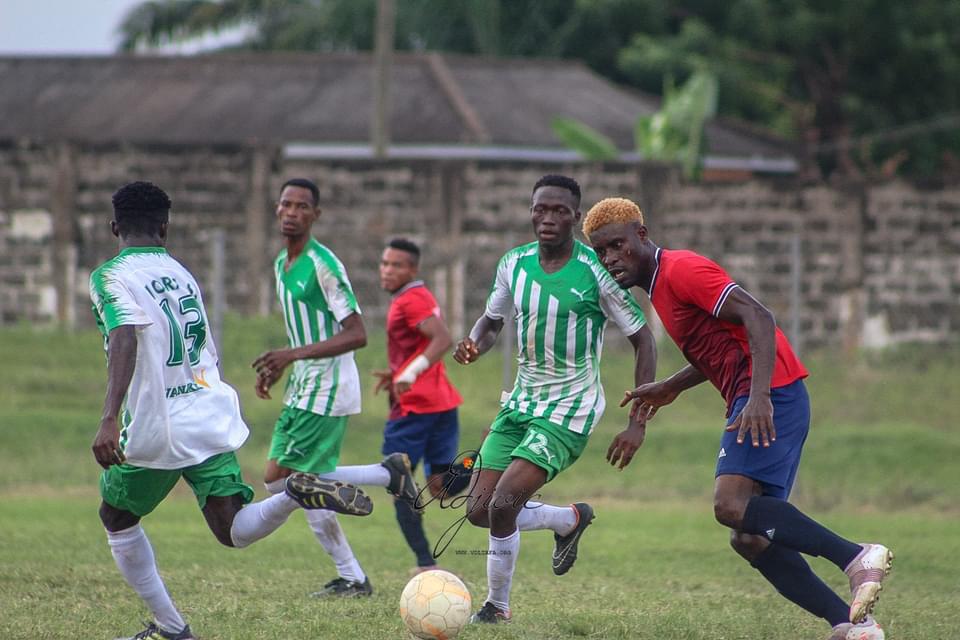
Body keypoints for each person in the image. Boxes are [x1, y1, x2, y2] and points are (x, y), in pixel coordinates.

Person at [582, 197, 892, 640]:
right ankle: (852, 625)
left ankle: (856, 556)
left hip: (772, 394)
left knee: (730, 506)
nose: (612, 258)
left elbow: (757, 316)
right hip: (762, 395)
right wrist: (673, 385)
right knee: (749, 537)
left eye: (617, 245)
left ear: (642, 236)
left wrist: (760, 396)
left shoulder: (681, 270)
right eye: (602, 252)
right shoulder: (659, 290)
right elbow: (720, 348)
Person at [90, 181, 372, 640]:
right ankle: (293, 494)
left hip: (160, 423)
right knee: (233, 530)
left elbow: (123, 335)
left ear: (114, 226)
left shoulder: (111, 275)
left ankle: (172, 629)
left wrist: (108, 417)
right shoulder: (181, 272)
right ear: (165, 227)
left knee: (116, 517)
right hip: (208, 409)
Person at [453, 175, 657, 624]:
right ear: (530, 211)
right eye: (540, 209)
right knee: (478, 512)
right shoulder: (513, 264)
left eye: (559, 211)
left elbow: (645, 340)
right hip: (521, 403)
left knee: (505, 502)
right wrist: (472, 344)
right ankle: (568, 520)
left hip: (570, 408)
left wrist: (638, 421)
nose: (547, 218)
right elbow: (490, 322)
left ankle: (496, 607)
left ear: (576, 218)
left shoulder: (596, 270)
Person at [252, 178, 420, 598]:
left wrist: (290, 356)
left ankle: (381, 483)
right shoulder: (280, 264)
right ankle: (355, 569)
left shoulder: (323, 264)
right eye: (285, 204)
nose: (292, 212)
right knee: (294, 483)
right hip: (304, 384)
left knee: (281, 482)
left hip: (327, 387)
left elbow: (357, 333)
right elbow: (307, 330)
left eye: (301, 206)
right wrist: (281, 365)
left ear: (316, 215)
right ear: (276, 210)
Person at [375, 237, 471, 573]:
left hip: (414, 408)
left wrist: (409, 374)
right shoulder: (419, 294)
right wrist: (397, 372)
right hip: (441, 403)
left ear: (412, 269)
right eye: (384, 263)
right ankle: (487, 463)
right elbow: (419, 344)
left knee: (398, 485)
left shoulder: (409, 300)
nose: (387, 270)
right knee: (441, 488)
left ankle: (425, 563)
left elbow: (442, 338)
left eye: (396, 265)